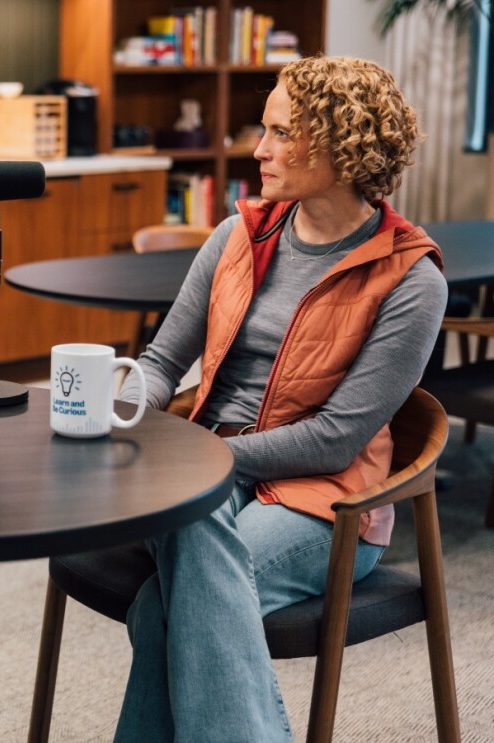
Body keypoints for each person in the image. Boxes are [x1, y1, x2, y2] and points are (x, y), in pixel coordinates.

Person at [111, 56, 446, 741]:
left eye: (280, 132)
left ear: (342, 145)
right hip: (211, 472)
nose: (257, 149)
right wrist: (114, 408)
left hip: (329, 502)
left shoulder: (411, 278)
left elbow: (337, 440)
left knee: (161, 602)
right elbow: (161, 360)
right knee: (192, 515)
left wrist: (200, 458)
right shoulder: (237, 236)